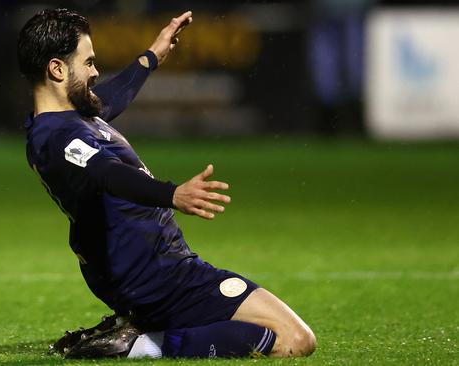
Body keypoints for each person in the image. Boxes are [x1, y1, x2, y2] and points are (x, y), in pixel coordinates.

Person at [18, 8, 316, 359]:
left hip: (153, 269)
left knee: (278, 332)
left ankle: (139, 329)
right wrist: (171, 194)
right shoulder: (57, 137)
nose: (96, 72)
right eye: (88, 63)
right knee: (295, 340)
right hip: (158, 278)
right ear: (56, 69)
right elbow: (108, 173)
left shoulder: (70, 118)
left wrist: (151, 56)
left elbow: (108, 101)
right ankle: (140, 345)